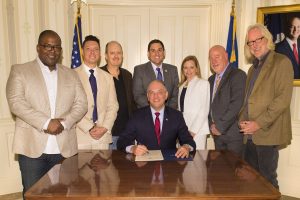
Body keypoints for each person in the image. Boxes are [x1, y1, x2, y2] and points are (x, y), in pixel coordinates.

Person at [5, 30, 88, 197]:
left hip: (64, 150)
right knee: (33, 195)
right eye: (48, 46)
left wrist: (63, 123)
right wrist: (46, 123)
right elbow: (16, 102)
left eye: (57, 47)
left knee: (64, 196)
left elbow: (82, 104)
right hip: (32, 151)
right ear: (38, 48)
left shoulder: (71, 74)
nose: (53, 50)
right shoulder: (20, 71)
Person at [239, 23, 293, 189]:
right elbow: (247, 100)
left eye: (258, 40)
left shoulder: (281, 62)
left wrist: (258, 123)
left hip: (267, 133)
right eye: (250, 42)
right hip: (249, 135)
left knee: (267, 181)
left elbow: (282, 100)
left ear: (267, 39)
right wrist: (242, 120)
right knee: (250, 179)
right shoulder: (251, 69)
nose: (254, 45)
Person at [117, 80, 196, 158]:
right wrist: (133, 148)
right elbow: (122, 141)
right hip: (144, 164)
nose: (156, 96)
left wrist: (186, 147)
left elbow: (189, 141)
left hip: (169, 164)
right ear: (148, 97)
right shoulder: (136, 116)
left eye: (160, 92)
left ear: (166, 95)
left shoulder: (176, 116)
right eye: (152, 93)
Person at [75, 35, 119, 150]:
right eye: (88, 49)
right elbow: (70, 107)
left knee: (105, 168)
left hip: (103, 138)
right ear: (82, 52)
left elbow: (113, 106)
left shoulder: (108, 77)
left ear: (100, 53)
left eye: (96, 49)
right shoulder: (72, 75)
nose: (92, 52)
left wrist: (105, 127)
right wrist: (89, 127)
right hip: (81, 137)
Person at [208, 45, 246, 157]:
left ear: (226, 56)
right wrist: (211, 125)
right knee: (221, 171)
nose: (214, 61)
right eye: (211, 58)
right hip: (217, 136)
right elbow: (208, 106)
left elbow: (237, 104)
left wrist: (219, 127)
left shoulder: (238, 75)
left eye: (217, 56)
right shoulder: (210, 80)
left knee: (234, 171)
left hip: (233, 136)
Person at [101, 41, 136, 149]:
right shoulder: (99, 75)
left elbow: (133, 103)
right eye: (112, 53)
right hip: (108, 133)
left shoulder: (127, 75)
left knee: (128, 165)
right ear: (106, 56)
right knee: (108, 165)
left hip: (127, 134)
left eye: (119, 53)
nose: (116, 56)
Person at [133, 39, 179, 109]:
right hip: (146, 114)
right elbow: (138, 95)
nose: (157, 53)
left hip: (168, 114)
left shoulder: (173, 70)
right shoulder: (139, 70)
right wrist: (155, 110)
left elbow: (175, 96)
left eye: (159, 50)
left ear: (164, 53)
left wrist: (165, 111)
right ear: (148, 54)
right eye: (153, 50)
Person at [178, 55, 210, 150]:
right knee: (184, 161)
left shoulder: (203, 83)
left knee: (197, 160)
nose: (188, 71)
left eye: (191, 67)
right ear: (183, 70)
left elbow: (204, 110)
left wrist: (193, 131)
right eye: (185, 68)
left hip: (198, 130)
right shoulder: (181, 86)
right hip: (184, 129)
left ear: (196, 69)